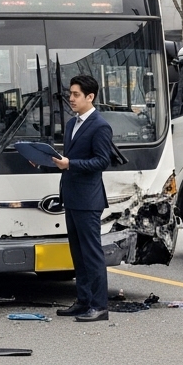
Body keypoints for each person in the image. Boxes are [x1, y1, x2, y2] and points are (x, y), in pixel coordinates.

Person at [53, 74, 114, 323]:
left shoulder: (100, 125)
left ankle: (99, 306)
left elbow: (102, 161)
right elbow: (70, 160)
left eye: (76, 94)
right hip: (72, 196)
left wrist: (71, 163)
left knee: (92, 254)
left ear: (90, 97)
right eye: (70, 94)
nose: (71, 98)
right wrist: (50, 161)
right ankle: (83, 301)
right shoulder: (72, 124)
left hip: (89, 200)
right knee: (77, 253)